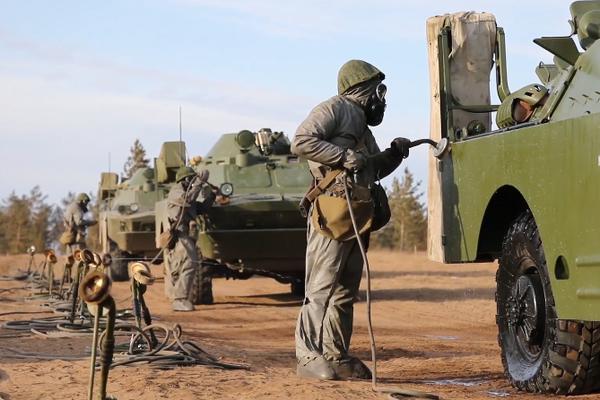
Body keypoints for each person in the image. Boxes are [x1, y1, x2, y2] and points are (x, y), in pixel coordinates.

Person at [291, 59, 411, 380]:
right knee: (320, 288)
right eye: (379, 91)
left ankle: (335, 354)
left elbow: (371, 168)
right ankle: (307, 357)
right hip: (332, 214)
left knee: (344, 292)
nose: (381, 100)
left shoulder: (363, 128)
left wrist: (394, 153)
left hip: (358, 216)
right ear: (364, 89)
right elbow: (301, 140)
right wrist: (343, 156)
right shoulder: (334, 109)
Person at [165, 166, 215, 312]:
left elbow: (200, 208)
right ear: (185, 179)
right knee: (188, 264)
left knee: (186, 265)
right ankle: (179, 299)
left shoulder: (187, 192)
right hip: (180, 235)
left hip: (187, 235)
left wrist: (211, 196)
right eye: (191, 178)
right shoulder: (176, 191)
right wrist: (199, 182)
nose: (193, 181)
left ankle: (179, 297)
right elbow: (186, 199)